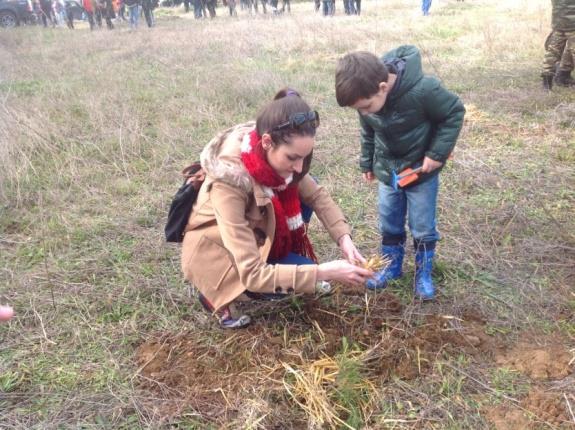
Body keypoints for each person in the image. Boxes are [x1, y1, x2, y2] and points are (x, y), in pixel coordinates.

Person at [181, 88, 373, 329]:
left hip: (258, 230)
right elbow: (252, 273)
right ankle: (214, 295)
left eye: (305, 156)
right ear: (267, 142)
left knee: (301, 197)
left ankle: (277, 255)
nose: (299, 166)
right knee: (290, 281)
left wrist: (344, 240)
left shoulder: (274, 157)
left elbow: (317, 196)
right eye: (292, 158)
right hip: (218, 254)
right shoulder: (228, 185)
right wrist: (322, 273)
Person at [335, 46, 465, 300]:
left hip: (420, 173)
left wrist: (436, 154)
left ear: (383, 87)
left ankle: (422, 274)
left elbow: (454, 112)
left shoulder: (424, 90)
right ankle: (392, 267)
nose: (364, 112)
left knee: (422, 225)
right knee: (389, 220)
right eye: (358, 109)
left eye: (365, 106)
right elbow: (368, 131)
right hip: (387, 171)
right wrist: (367, 162)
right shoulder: (367, 101)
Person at [541, 0, 575, 90]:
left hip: (558, 24)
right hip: (573, 25)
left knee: (552, 52)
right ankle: (563, 75)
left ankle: (547, 84)